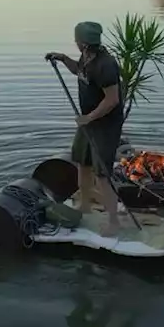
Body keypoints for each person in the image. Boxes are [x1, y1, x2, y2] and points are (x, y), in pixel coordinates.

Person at [45, 21, 127, 237]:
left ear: (82, 42)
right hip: (88, 121)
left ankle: (113, 222)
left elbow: (112, 100)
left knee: (102, 174)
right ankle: (85, 205)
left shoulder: (105, 64)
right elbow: (80, 72)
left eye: (76, 40)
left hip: (104, 125)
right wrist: (63, 59)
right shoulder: (87, 56)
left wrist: (88, 118)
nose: (75, 43)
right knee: (82, 162)